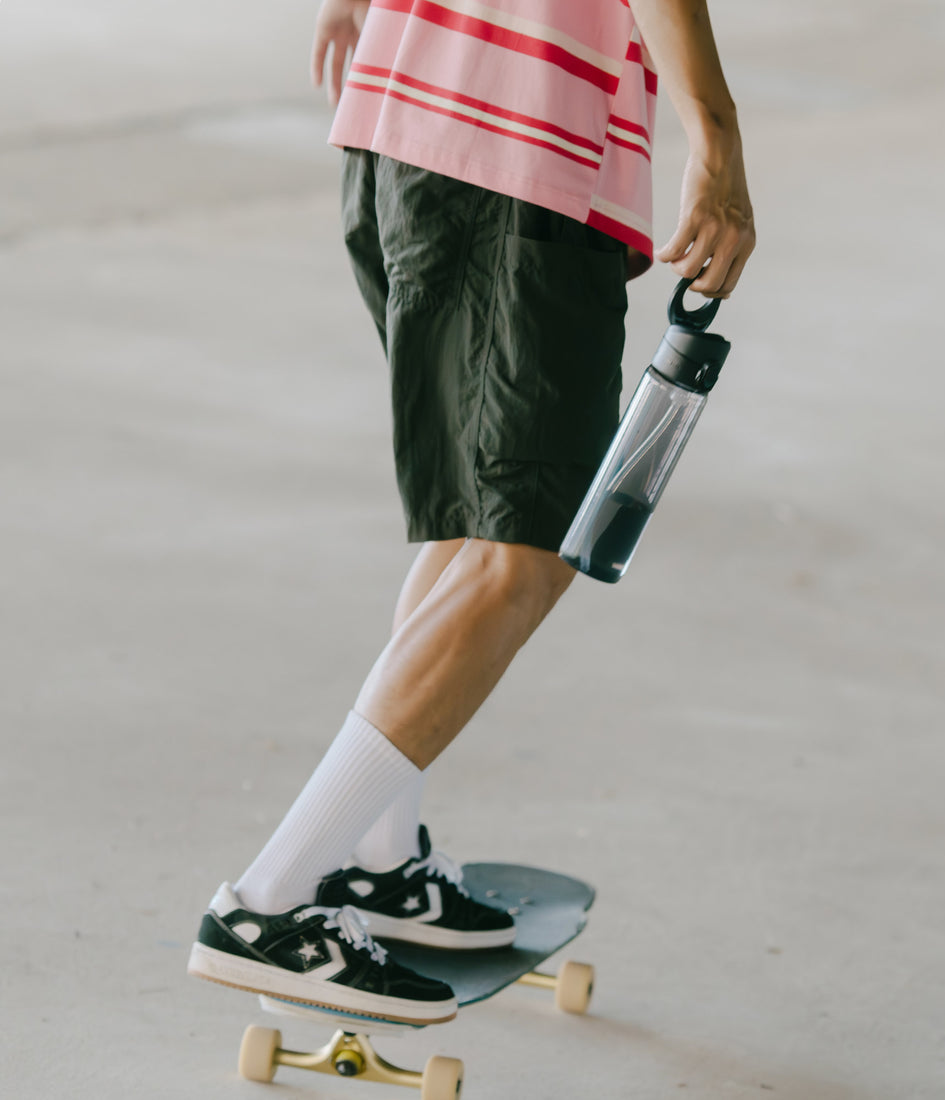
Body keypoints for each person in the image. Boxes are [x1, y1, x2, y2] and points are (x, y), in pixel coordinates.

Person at [187, 0, 754, 1025]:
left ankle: (375, 859)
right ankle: (266, 903)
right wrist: (714, 135)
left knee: (472, 525)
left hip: (414, 112)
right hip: (513, 146)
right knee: (520, 553)